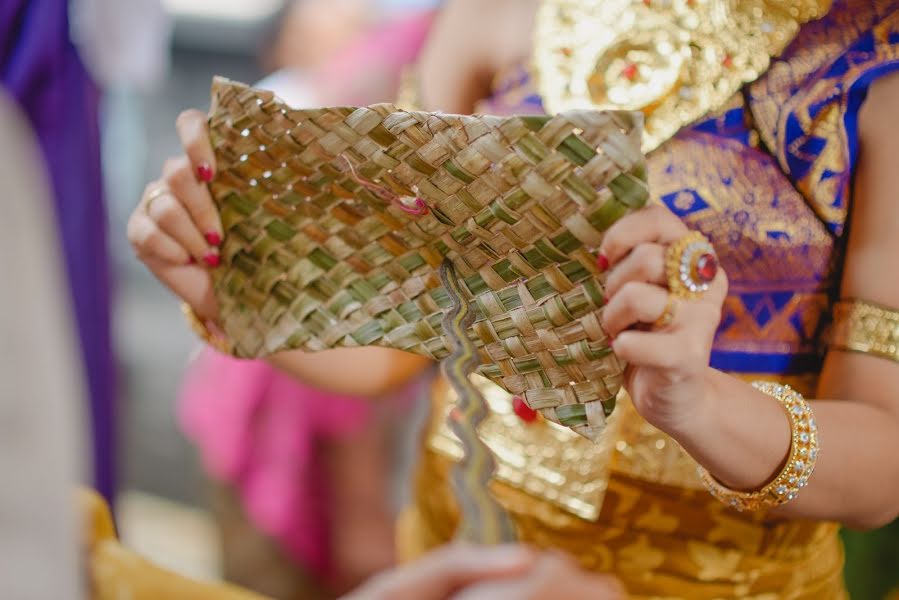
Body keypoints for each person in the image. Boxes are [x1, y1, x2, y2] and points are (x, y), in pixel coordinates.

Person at [129, 0, 899, 597]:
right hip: (460, 558)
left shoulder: (871, 65)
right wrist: (234, 284)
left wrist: (697, 406)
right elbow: (396, 346)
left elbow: (884, 460)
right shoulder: (496, 14)